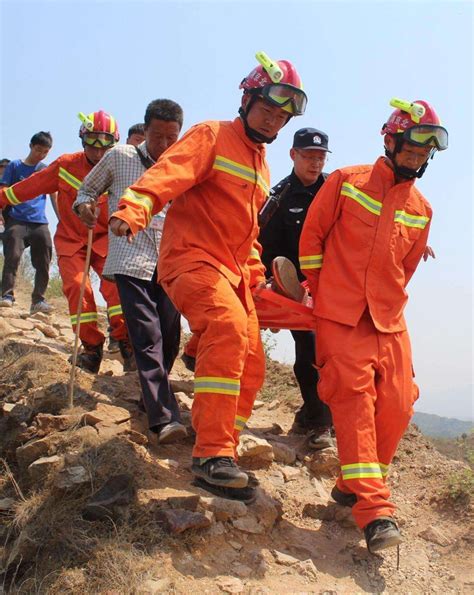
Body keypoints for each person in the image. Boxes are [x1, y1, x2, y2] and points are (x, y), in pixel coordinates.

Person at [109, 52, 308, 501]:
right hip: (192, 258)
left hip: (234, 272)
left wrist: (258, 277)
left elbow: (247, 232)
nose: (273, 122)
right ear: (247, 98)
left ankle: (224, 453)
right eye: (267, 110)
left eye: (281, 117)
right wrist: (135, 206)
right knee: (227, 328)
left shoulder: (261, 164)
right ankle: (210, 455)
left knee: (252, 361)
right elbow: (168, 173)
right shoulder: (212, 135)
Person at [299, 98, 448, 552]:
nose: (418, 159)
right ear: (391, 140)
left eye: (425, 154)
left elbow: (404, 268)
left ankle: (351, 485)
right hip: (340, 315)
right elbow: (312, 238)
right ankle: (375, 511)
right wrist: (323, 292)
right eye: (412, 150)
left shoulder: (422, 209)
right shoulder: (346, 181)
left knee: (400, 404)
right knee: (354, 401)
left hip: (388, 319)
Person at [73, 99, 187, 444]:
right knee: (146, 335)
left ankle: (151, 394)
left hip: (171, 260)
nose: (164, 145)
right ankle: (163, 418)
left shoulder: (183, 164)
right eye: (157, 136)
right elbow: (86, 189)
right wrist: (86, 206)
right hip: (129, 258)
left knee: (169, 338)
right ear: (145, 130)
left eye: (172, 137)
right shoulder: (119, 157)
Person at [0, 110, 132, 373]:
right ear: (83, 138)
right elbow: (29, 187)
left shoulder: (121, 167)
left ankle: (126, 343)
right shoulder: (66, 165)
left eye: (104, 143)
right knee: (77, 289)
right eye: (92, 141)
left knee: (117, 292)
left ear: (113, 143)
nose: (97, 151)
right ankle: (91, 348)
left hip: (107, 240)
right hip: (72, 241)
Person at [259, 127, 333, 449]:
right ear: (293, 155)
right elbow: (266, 248)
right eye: (308, 156)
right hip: (296, 291)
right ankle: (319, 424)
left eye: (320, 157)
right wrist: (272, 293)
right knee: (310, 351)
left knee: (336, 355)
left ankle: (314, 415)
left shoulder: (335, 189)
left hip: (333, 286)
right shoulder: (278, 198)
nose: (315, 163)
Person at [0, 132, 57, 312]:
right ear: (31, 146)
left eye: (45, 152)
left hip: (39, 222)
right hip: (17, 219)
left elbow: (54, 196)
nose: (40, 154)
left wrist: (62, 219)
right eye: (38, 150)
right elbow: (3, 191)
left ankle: (38, 300)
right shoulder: (15, 166)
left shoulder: (45, 170)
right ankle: (7, 295)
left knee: (44, 260)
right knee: (13, 256)